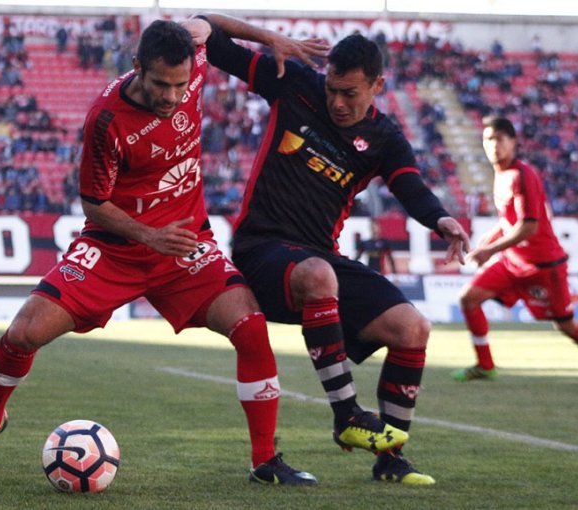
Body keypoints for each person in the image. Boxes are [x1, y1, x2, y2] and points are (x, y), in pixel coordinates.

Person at [0, 19, 317, 486]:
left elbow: (203, 19)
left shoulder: (193, 62)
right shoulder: (106, 118)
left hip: (185, 246)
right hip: (116, 249)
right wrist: (148, 236)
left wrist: (270, 40)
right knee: (23, 333)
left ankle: (265, 461)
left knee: (250, 327)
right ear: (138, 66)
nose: (172, 96)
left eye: (180, 85)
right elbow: (94, 204)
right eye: (161, 84)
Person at [191, 14, 470, 485]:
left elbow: (411, 187)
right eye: (332, 90)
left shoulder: (385, 139)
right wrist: (270, 38)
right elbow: (202, 29)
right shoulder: (295, 82)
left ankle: (392, 456)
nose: (337, 102)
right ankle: (347, 417)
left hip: (319, 257)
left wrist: (440, 219)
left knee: (411, 326)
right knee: (320, 274)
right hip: (263, 249)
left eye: (350, 93)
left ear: (377, 86)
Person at [452, 116, 578, 388]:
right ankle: (485, 365)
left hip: (544, 266)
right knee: (469, 299)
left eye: (499, 139)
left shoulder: (522, 175)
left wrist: (489, 251)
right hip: (513, 263)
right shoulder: (500, 175)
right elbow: (509, 220)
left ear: (513, 142)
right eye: (488, 140)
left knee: (565, 325)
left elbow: (529, 227)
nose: (494, 145)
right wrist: (489, 240)